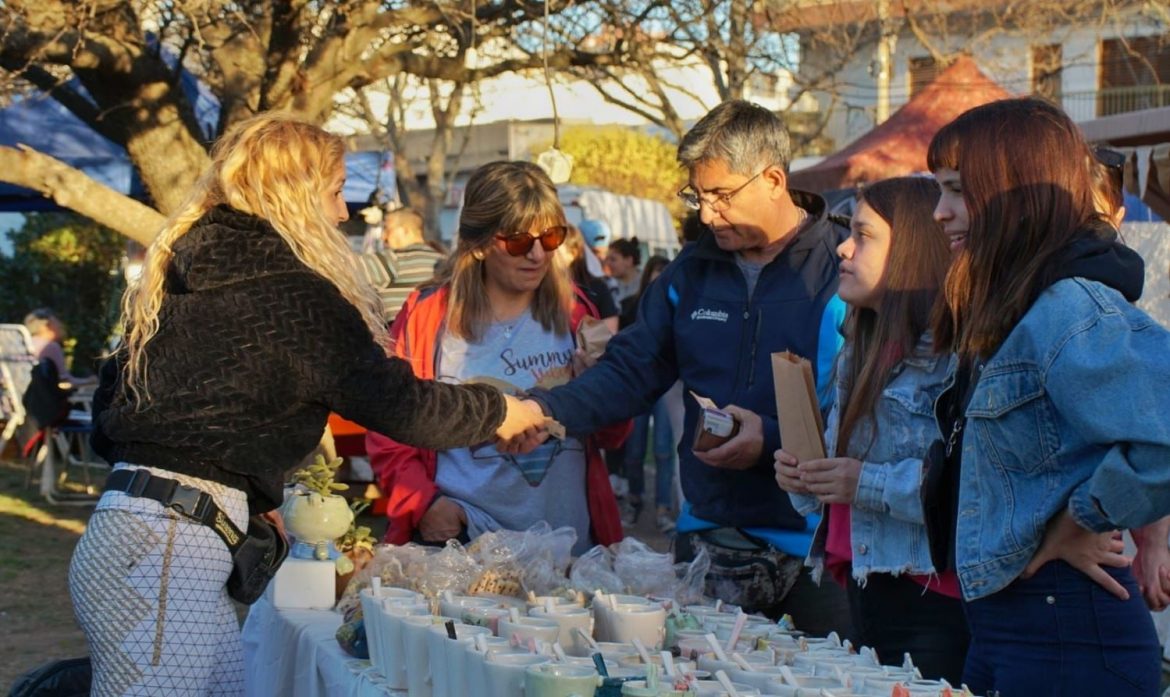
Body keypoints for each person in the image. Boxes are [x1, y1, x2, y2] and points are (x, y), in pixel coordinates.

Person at [71, 114, 546, 696]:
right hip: (168, 551)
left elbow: (114, 410)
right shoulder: (290, 293)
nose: (344, 213)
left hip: (143, 532)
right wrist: (499, 411)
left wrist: (240, 489)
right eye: (336, 192)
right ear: (294, 195)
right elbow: (401, 405)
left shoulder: (188, 270)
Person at [518, 100, 852, 636]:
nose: (707, 214)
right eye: (698, 195)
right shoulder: (690, 270)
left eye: (722, 195)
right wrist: (544, 409)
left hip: (818, 548)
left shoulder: (845, 266)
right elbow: (632, 368)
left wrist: (768, 439)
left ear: (773, 180)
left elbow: (870, 412)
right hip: (705, 535)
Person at [926, 97, 1170, 694]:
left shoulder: (1069, 306)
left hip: (1069, 634)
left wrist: (1082, 515)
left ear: (1011, 193)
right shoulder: (1017, 306)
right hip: (1015, 627)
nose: (939, 212)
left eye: (956, 190)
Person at [366, 161, 625, 554]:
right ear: (480, 243)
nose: (537, 254)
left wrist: (602, 388)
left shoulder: (576, 312)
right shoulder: (428, 316)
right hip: (466, 546)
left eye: (551, 237)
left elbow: (613, 435)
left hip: (565, 550)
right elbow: (390, 420)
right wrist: (425, 504)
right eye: (519, 241)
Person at [774, 177, 967, 681]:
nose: (844, 247)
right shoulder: (860, 344)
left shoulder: (952, 356)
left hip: (932, 598)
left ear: (913, 250)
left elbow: (969, 487)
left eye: (863, 235)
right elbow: (841, 486)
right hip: (865, 584)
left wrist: (862, 483)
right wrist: (805, 477)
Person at [619, 255, 676, 530]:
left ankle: (663, 508)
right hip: (638, 384)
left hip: (667, 387)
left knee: (664, 449)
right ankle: (634, 499)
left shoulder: (680, 306)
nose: (660, 276)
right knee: (635, 448)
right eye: (656, 271)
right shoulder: (631, 306)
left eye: (665, 271)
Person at [358, 206, 447, 322]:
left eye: (387, 229)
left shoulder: (391, 261)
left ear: (405, 231)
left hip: (398, 330)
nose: (383, 237)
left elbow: (343, 269)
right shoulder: (444, 261)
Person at [560, 224, 621, 333]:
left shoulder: (597, 287)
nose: (602, 258)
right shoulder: (537, 287)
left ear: (574, 253)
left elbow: (610, 332)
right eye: (594, 252)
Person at [23, 308, 95, 387]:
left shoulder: (24, 344)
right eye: (57, 323)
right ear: (47, 326)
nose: (61, 326)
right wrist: (90, 381)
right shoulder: (50, 347)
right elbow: (65, 382)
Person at [605, 236, 642, 304]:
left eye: (613, 259)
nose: (608, 263)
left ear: (629, 260)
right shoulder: (609, 285)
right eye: (607, 259)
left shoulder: (646, 284)